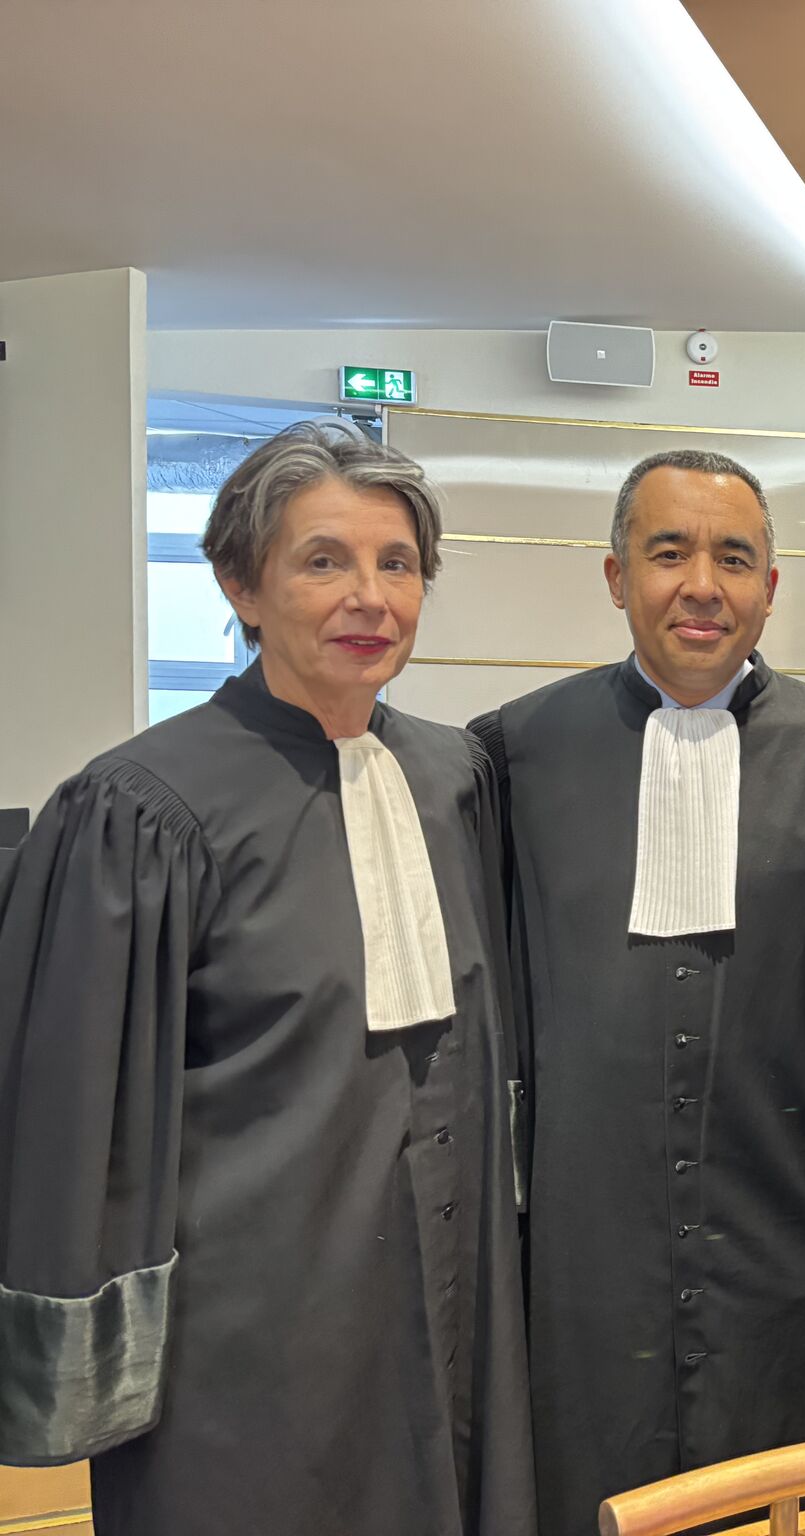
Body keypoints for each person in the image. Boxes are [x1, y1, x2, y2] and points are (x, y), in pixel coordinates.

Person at [0, 423, 536, 1536]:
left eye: (397, 564)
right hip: (240, 1344)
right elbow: (74, 1118)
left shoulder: (452, 777)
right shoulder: (140, 809)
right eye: (323, 561)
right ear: (241, 585)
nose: (369, 598)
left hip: (443, 1290)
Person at [470, 447, 805, 1534]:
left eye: (734, 558)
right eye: (669, 553)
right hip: (574, 1247)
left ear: (769, 587)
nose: (703, 585)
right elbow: (483, 1027)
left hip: (784, 1240)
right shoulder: (513, 758)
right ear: (616, 576)